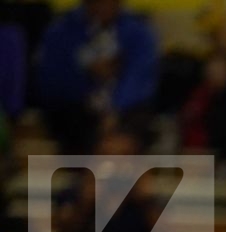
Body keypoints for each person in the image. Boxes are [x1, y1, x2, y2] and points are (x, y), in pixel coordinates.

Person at [35, 0, 158, 152]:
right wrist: (85, 72)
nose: (103, 7)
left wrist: (115, 110)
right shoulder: (61, 30)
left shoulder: (138, 32)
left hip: (125, 110)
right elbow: (51, 81)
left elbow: (140, 79)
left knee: (136, 121)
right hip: (76, 109)